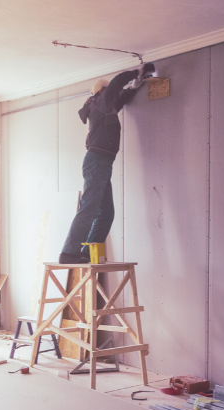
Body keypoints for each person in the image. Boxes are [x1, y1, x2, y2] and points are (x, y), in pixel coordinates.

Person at [59, 62, 156, 264]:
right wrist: (138, 72)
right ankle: (68, 253)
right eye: (106, 90)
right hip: (97, 161)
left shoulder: (105, 108)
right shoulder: (101, 102)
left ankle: (85, 252)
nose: (110, 93)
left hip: (102, 162)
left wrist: (134, 86)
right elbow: (118, 83)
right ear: (101, 92)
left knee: (106, 213)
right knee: (89, 208)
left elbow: (121, 97)